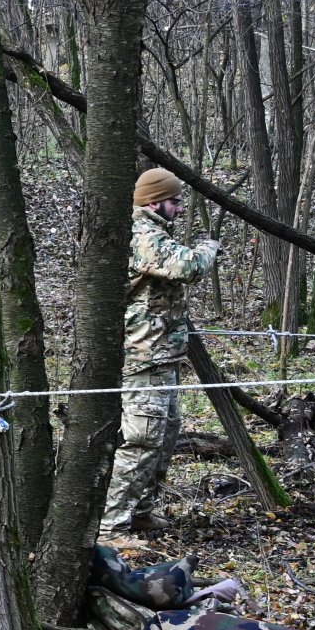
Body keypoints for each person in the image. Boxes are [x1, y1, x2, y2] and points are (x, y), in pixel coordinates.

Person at [101, 167, 221, 540]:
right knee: (142, 440)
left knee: (165, 436)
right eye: (175, 201)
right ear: (155, 202)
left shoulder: (153, 232)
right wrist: (208, 247)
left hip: (161, 356)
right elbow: (189, 266)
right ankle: (111, 527)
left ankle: (141, 512)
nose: (181, 209)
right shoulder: (141, 233)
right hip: (141, 358)